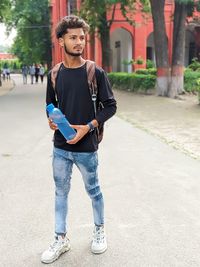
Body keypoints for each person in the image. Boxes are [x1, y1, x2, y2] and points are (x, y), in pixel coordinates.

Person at [41, 15, 117, 264]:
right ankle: (61, 238)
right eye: (73, 37)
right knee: (60, 192)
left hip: (86, 147)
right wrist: (51, 120)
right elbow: (49, 105)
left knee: (94, 191)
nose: (79, 42)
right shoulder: (54, 74)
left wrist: (89, 126)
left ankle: (99, 231)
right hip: (61, 146)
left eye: (82, 37)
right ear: (61, 40)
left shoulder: (95, 71)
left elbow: (110, 106)